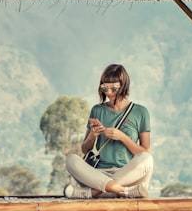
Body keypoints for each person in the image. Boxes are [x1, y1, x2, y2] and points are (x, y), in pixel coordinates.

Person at [64, 63, 153, 199]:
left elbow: (145, 151)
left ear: (123, 86)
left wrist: (123, 137)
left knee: (147, 159)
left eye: (114, 88)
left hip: (126, 175)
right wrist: (93, 136)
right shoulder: (97, 110)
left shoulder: (140, 112)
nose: (109, 92)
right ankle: (123, 191)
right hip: (98, 175)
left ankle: (93, 193)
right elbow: (84, 149)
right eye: (104, 88)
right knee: (71, 159)